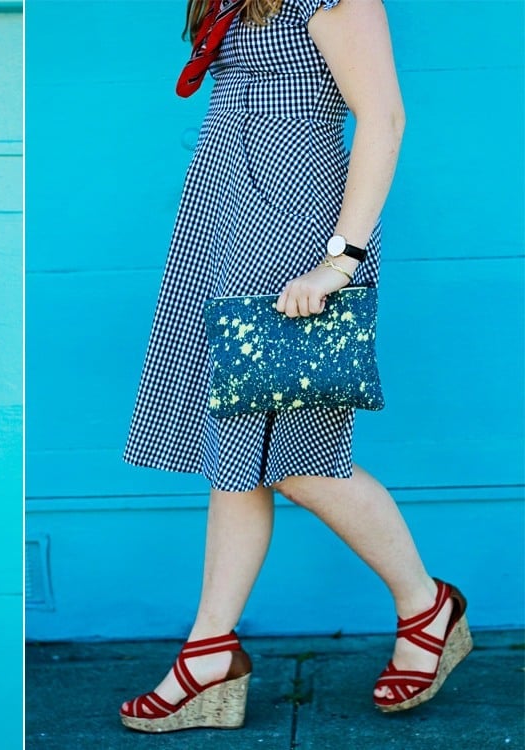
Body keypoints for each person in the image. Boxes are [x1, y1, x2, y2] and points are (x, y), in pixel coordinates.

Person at [120, 0, 471, 732]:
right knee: (236, 453)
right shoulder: (233, 2)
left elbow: (384, 120)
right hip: (226, 230)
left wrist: (340, 261)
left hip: (296, 246)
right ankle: (209, 649)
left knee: (303, 460)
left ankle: (425, 606)